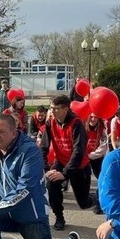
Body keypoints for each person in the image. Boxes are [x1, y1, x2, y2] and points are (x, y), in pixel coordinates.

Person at [41, 95, 95, 231]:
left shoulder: (77, 124)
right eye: (50, 108)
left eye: (55, 109)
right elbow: (43, 147)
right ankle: (59, 216)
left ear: (65, 109)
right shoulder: (50, 123)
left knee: (83, 203)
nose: (52, 112)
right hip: (61, 161)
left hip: (80, 167)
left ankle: (99, 197)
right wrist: (46, 168)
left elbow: (79, 152)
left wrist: (65, 174)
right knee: (51, 183)